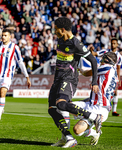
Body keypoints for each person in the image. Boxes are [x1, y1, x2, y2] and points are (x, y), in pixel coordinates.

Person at [48, 17, 101, 148]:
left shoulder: (76, 43)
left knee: (61, 104)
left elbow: (93, 61)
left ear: (62, 30)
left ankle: (93, 116)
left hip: (69, 79)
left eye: (56, 29)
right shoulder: (60, 40)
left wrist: (94, 82)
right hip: (58, 79)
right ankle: (68, 138)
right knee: (52, 110)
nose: (54, 32)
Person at [0, 29, 31, 124]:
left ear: (10, 36)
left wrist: (27, 76)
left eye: (5, 35)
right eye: (2, 35)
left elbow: (20, 62)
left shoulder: (14, 47)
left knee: (2, 92)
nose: (3, 37)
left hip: (7, 75)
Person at [73, 52, 117, 145]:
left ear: (108, 60)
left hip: (99, 109)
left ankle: (94, 133)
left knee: (77, 130)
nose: (101, 59)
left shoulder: (107, 67)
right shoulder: (113, 72)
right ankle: (66, 137)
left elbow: (87, 73)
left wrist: (78, 69)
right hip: (93, 103)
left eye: (104, 57)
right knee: (64, 105)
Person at [90, 38, 122, 116]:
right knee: (101, 90)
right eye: (112, 43)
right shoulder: (105, 52)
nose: (113, 45)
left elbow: (118, 68)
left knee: (115, 92)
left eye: (114, 43)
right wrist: (91, 50)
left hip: (112, 76)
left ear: (117, 45)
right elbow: (94, 54)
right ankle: (99, 106)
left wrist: (118, 78)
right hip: (103, 74)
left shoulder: (119, 56)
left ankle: (114, 110)